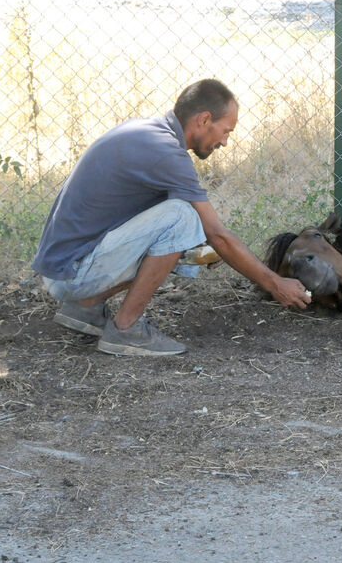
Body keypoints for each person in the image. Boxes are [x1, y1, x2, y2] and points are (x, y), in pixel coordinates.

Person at [32, 79, 311, 356]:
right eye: (226, 131)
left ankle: (86, 308)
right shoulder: (167, 154)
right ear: (204, 119)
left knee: (187, 227)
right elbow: (217, 233)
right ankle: (126, 328)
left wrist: (201, 247)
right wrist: (275, 283)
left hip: (65, 268)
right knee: (184, 217)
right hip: (73, 275)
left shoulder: (146, 132)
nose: (225, 142)